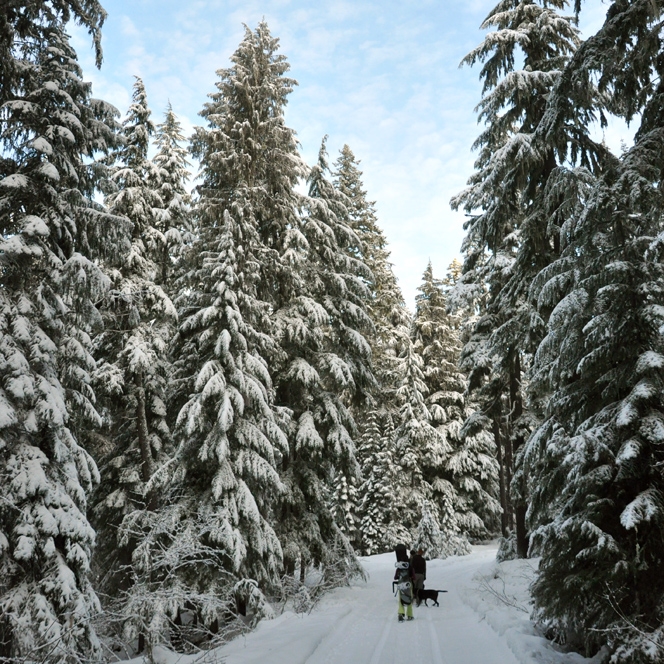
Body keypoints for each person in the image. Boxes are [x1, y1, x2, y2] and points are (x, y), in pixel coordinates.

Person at [394, 549, 415, 622]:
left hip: (400, 584)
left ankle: (400, 613)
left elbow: (395, 577)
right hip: (408, 584)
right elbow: (413, 576)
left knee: (401, 600)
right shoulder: (409, 566)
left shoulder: (399, 567)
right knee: (409, 598)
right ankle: (409, 615)